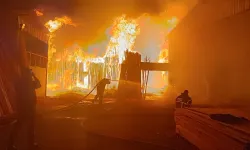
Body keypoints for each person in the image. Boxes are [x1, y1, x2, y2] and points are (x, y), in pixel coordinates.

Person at [9, 68, 41, 150]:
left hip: (22, 108)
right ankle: (31, 144)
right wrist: (34, 75)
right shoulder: (30, 83)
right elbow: (39, 84)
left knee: (19, 126)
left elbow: (16, 89)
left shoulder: (20, 82)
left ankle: (11, 144)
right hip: (29, 107)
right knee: (30, 127)